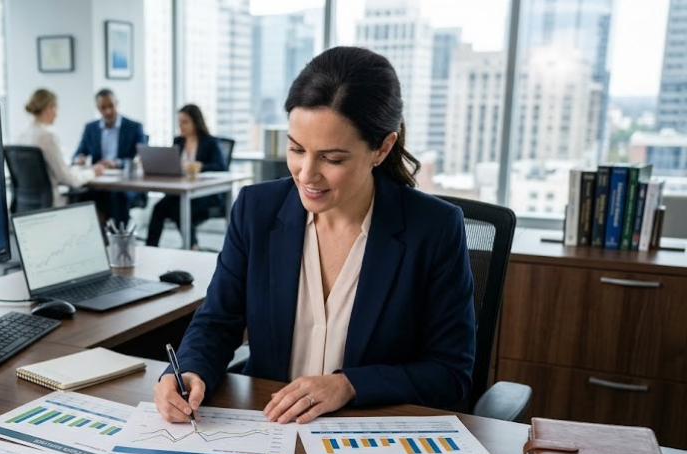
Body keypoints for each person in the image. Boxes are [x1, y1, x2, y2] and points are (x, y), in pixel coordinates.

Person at [153, 47, 475, 425]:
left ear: (382, 149)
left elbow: (450, 373)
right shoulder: (256, 210)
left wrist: (349, 385)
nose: (306, 174)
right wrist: (190, 370)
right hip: (270, 426)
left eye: (332, 159)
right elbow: (217, 322)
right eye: (296, 149)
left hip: (366, 433)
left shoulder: (434, 228)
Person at [145, 104, 228, 248]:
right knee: (158, 208)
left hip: (205, 194)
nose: (181, 126)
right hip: (181, 191)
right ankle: (150, 247)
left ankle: (192, 245)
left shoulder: (210, 142)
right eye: (179, 122)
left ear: (196, 122)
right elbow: (173, 163)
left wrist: (200, 166)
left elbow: (221, 167)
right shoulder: (178, 141)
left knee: (179, 209)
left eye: (185, 122)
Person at [15, 88, 104, 208]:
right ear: (48, 108)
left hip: (25, 204)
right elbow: (70, 180)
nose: (57, 113)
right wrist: (93, 172)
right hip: (51, 204)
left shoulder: (22, 135)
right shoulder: (47, 137)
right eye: (56, 108)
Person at [71, 88, 147, 224]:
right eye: (103, 108)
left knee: (117, 197)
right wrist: (79, 159)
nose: (108, 111)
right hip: (99, 182)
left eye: (111, 106)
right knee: (79, 196)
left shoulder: (134, 127)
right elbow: (78, 154)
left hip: (126, 184)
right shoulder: (91, 128)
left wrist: (116, 163)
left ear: (117, 103)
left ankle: (118, 238)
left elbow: (140, 159)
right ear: (98, 109)